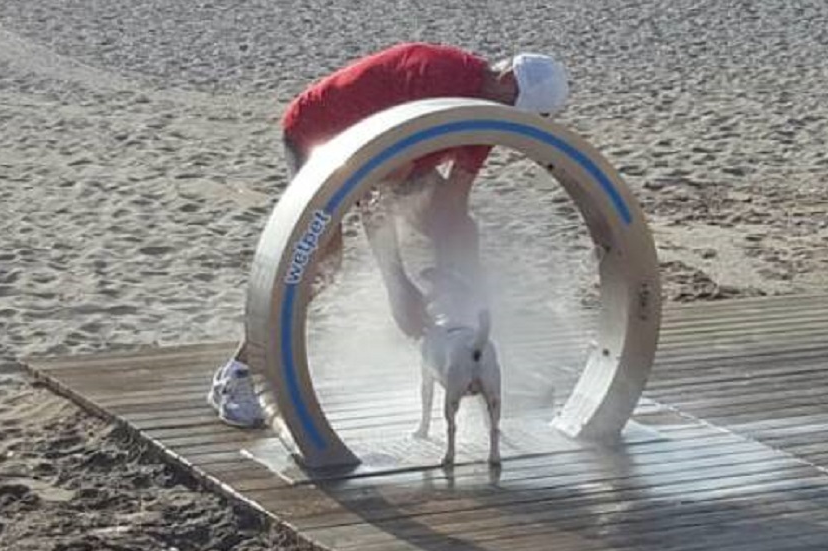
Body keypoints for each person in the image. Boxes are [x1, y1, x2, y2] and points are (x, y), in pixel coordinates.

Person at [207, 42, 569, 428]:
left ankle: (470, 350)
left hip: (394, 154)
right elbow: (374, 195)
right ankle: (237, 375)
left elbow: (453, 206)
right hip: (322, 137)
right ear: (507, 80)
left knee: (461, 230)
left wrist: (456, 285)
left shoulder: (488, 111)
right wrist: (397, 287)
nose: (509, 123)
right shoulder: (433, 81)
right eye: (514, 111)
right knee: (322, 262)